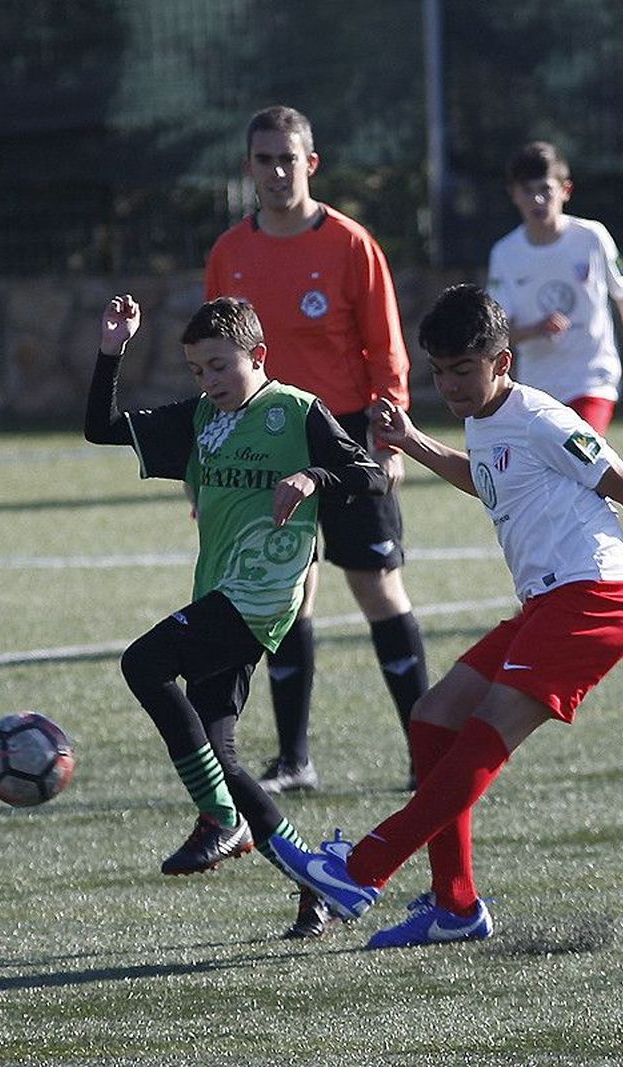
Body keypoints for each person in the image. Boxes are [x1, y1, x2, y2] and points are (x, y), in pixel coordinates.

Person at [267, 284, 623, 950]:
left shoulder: (541, 417)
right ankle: (455, 904)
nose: (450, 384)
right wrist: (412, 442)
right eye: (439, 371)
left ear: (502, 362)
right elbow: (488, 478)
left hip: (596, 599)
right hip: (551, 602)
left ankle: (360, 870)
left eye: (463, 369)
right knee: (434, 716)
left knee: (481, 734)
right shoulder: (486, 420)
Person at [83, 294, 387, 940]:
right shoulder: (201, 420)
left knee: (143, 662)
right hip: (218, 595)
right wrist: (113, 350)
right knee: (221, 756)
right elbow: (101, 426)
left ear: (258, 356)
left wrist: (311, 476)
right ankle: (316, 885)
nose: (210, 381)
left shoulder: (296, 411)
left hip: (263, 597)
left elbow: (368, 476)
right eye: (198, 370)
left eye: (220, 366)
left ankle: (221, 820)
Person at [205, 104, 429, 795]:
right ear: (249, 167)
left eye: (288, 158)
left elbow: (385, 348)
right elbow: (218, 360)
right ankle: (295, 759)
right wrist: (213, 453)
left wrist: (389, 439)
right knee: (285, 595)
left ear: (311, 163)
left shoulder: (350, 244)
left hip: (346, 435)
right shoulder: (229, 253)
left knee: (377, 588)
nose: (277, 170)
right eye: (264, 158)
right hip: (268, 442)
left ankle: (428, 753)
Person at [485, 140, 623, 433]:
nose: (538, 201)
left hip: (592, 380)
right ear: (513, 195)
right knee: (556, 476)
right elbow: (497, 334)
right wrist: (535, 329)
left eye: (545, 189)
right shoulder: (505, 254)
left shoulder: (592, 237)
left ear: (565, 190)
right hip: (538, 389)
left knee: (579, 459)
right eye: (527, 191)